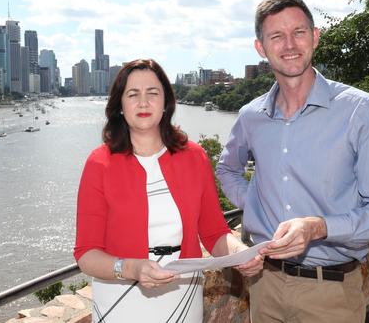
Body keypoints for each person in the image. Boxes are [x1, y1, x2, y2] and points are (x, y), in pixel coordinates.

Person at [216, 0, 369, 322]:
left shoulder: (359, 110)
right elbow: (227, 168)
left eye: (298, 32)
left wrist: (319, 227)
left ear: (315, 37)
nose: (289, 44)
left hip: (330, 294)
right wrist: (255, 202)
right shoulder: (251, 116)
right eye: (276, 36)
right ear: (261, 48)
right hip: (264, 286)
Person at [74, 59, 264, 323]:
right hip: (120, 300)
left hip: (183, 295)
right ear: (120, 105)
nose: (143, 102)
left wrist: (240, 254)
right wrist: (130, 268)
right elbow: (86, 254)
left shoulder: (193, 156)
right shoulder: (99, 164)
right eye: (133, 94)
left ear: (166, 103)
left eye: (152, 93)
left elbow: (214, 232)